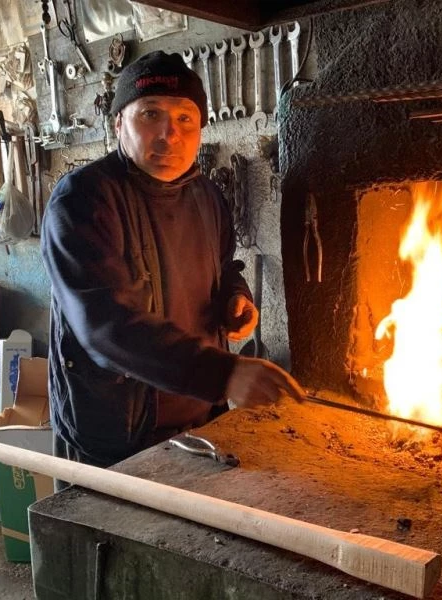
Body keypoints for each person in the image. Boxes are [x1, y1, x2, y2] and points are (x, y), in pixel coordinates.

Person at [41, 50, 304, 468]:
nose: (169, 134)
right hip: (116, 438)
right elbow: (105, 325)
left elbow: (223, 266)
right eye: (150, 115)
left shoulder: (206, 195)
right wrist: (224, 374)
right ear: (117, 123)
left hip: (201, 421)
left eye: (186, 119)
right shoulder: (84, 200)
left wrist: (234, 298)